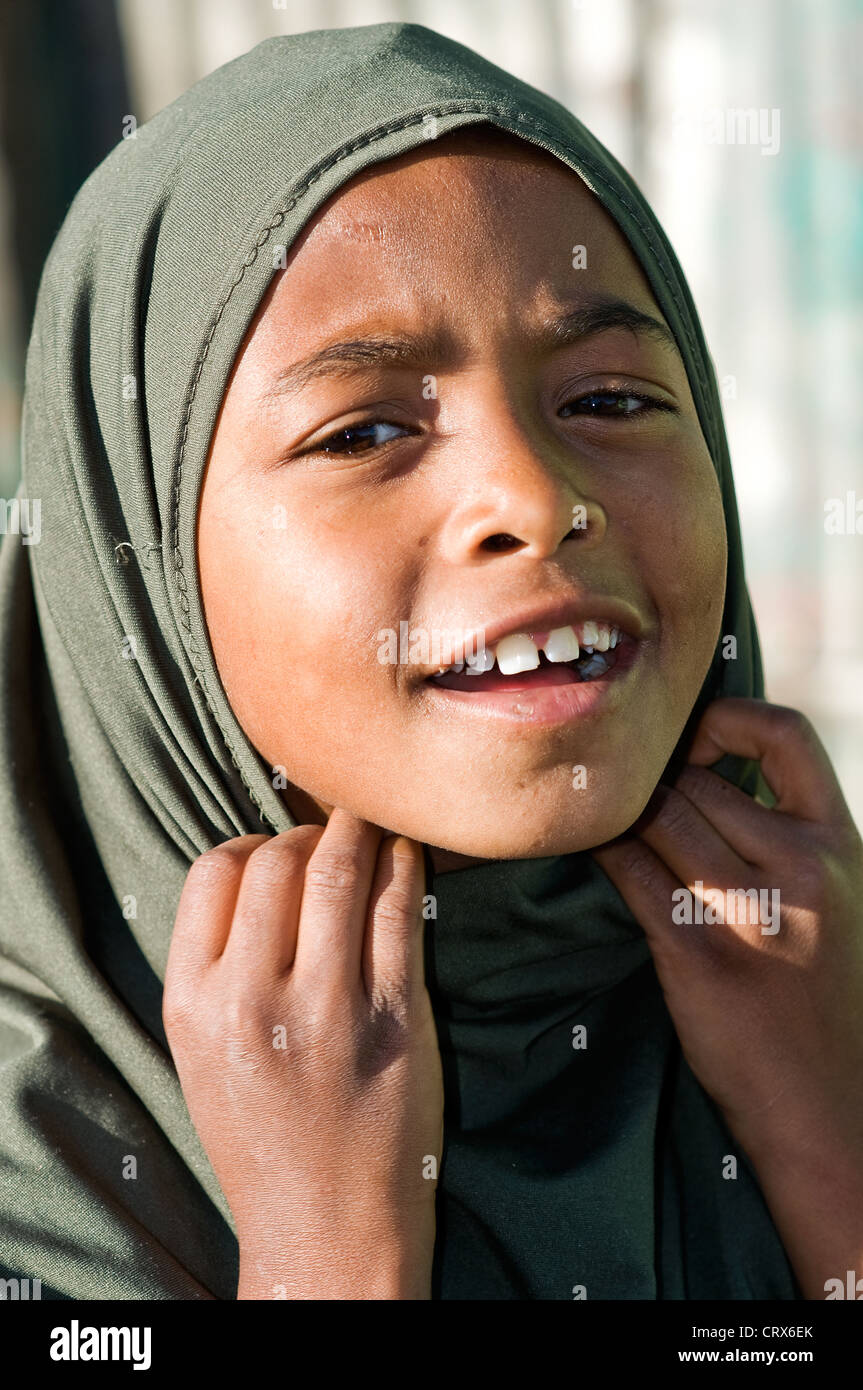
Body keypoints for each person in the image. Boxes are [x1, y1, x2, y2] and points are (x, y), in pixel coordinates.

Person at [0, 22, 861, 1301]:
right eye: (363, 431)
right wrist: (330, 1262)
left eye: (609, 399)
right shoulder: (47, 1188)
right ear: (138, 559)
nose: (533, 493)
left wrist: (828, 1138)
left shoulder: (808, 999)